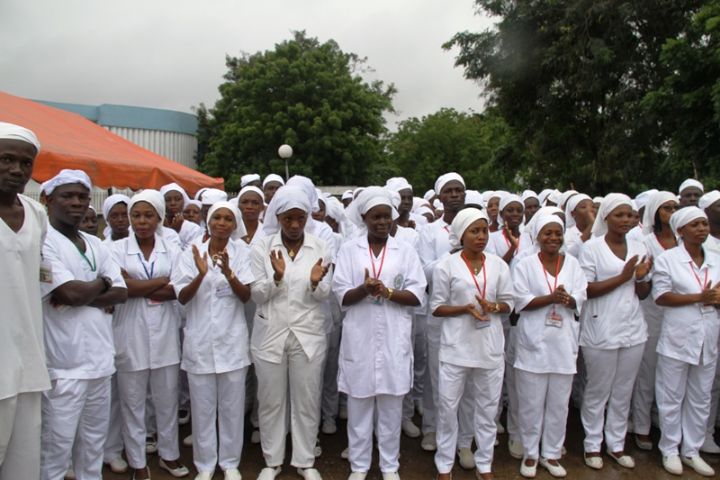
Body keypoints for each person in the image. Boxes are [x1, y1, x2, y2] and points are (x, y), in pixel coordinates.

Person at [39, 169, 128, 480]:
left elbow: (121, 292)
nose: (76, 203)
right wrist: (100, 284)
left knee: (92, 447)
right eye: (68, 196)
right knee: (56, 451)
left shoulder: (95, 242)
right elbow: (69, 293)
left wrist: (88, 290)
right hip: (64, 367)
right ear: (47, 200)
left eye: (82, 197)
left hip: (101, 364)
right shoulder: (43, 241)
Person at [333, 187, 426, 480]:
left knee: (390, 411)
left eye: (387, 216)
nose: (382, 222)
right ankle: (359, 467)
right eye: (376, 217)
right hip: (359, 339)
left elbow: (417, 294)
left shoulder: (406, 251)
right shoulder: (349, 250)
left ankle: (389, 467)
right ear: (364, 218)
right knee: (359, 409)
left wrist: (387, 292)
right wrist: (364, 289)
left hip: (393, 338)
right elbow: (341, 296)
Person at [250, 186, 331, 480]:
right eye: (288, 219)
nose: (295, 225)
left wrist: (314, 283)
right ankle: (272, 462)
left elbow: (324, 294)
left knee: (306, 399)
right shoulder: (263, 246)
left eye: (300, 218)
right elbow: (257, 294)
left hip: (308, 334)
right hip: (270, 334)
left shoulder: (319, 246)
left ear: (307, 217)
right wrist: (277, 277)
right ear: (278, 217)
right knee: (271, 400)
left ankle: (305, 460)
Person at [173, 201, 254, 480]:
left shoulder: (242, 252)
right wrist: (201, 273)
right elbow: (182, 297)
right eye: (216, 217)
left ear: (234, 224)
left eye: (227, 219)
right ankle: (205, 465)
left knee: (232, 408)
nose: (221, 223)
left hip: (231, 342)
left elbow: (245, 296)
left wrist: (229, 271)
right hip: (200, 343)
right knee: (203, 408)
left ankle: (230, 463)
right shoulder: (191, 252)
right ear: (208, 221)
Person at [110, 190, 188, 480]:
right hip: (129, 334)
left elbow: (177, 290)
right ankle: (137, 461)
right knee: (132, 401)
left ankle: (169, 454)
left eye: (148, 215)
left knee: (167, 399)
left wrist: (136, 285)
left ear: (159, 218)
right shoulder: (116, 249)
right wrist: (158, 282)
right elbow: (118, 289)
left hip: (166, 334)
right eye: (136, 215)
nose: (141, 221)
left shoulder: (172, 249)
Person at [430, 208, 513, 480]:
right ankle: (444, 464)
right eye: (474, 231)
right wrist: (464, 309)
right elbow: (436, 308)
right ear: (461, 234)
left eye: (484, 231)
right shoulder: (446, 265)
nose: (481, 237)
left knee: (488, 409)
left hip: (489, 348)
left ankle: (485, 463)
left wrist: (495, 306)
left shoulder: (498, 265)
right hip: (456, 349)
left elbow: (509, 303)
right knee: (448, 408)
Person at [578, 193, 652, 470]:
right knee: (599, 390)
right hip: (601, 327)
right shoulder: (592, 248)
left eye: (630, 215)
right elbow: (586, 289)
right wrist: (624, 277)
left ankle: (617, 444)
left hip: (633, 327)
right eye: (619, 215)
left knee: (623, 390)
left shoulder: (639, 244)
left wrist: (641, 277)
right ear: (605, 217)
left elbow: (643, 293)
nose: (626, 220)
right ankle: (592, 444)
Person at [513, 215, 587, 478]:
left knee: (559, 403)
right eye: (547, 233)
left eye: (558, 233)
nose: (553, 238)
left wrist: (569, 299)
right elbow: (519, 301)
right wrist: (550, 298)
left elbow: (582, 294)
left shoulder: (573, 264)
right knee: (532, 403)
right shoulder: (525, 264)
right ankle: (531, 454)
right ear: (536, 236)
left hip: (563, 343)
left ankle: (552, 453)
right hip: (534, 341)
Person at [653, 206, 720, 476]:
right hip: (678, 337)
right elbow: (661, 296)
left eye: (704, 224)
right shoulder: (668, 259)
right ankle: (670, 448)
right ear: (680, 231)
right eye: (695, 225)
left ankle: (691, 450)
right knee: (671, 395)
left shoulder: (716, 259)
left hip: (708, 336)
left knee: (701, 396)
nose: (702, 229)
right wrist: (698, 298)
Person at [0, 123, 51, 480]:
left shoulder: (37, 215)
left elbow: (41, 276)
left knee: (23, 460)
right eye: (6, 159)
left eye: (25, 163)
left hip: (30, 358)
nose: (17, 170)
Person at [417, 173, 469, 455]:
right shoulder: (429, 231)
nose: (454, 195)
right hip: (438, 312)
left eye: (458, 190)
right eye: (448, 191)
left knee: (464, 377)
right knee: (436, 375)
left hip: (469, 315)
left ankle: (461, 435)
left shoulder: (475, 226)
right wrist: (453, 256)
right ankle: (431, 428)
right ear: (439, 197)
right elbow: (423, 270)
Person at [630, 191, 678, 451]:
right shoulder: (646, 242)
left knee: (672, 374)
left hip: (682, 316)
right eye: (666, 208)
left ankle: (665, 420)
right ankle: (642, 425)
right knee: (648, 370)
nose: (671, 212)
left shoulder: (685, 241)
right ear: (656, 213)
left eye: (675, 207)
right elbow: (642, 283)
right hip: (652, 313)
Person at [161, 183, 204, 250]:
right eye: (168, 200)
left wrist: (173, 232)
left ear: (184, 201)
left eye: (178, 199)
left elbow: (187, 256)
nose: (173, 203)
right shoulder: (156, 226)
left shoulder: (193, 229)